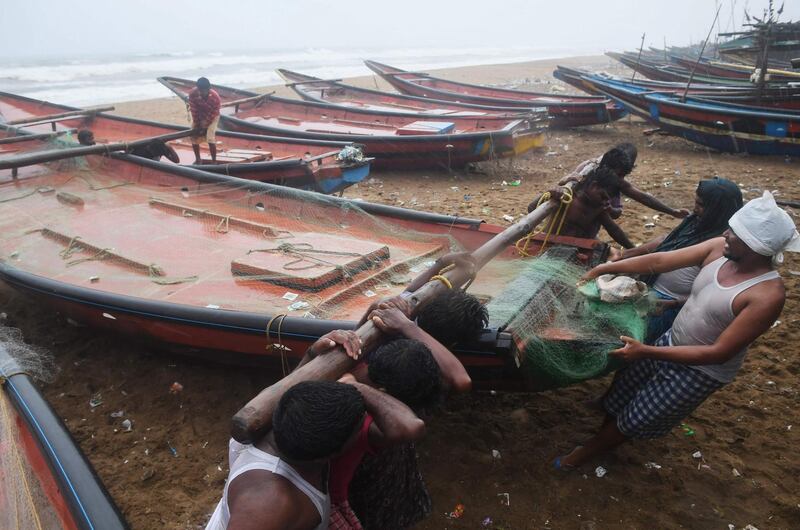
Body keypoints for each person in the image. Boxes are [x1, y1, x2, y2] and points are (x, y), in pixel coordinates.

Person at [555, 191, 799, 468]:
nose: (726, 234)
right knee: (624, 390)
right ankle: (603, 436)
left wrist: (645, 351)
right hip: (670, 340)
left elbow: (718, 353)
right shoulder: (720, 249)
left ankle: (584, 454)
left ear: (756, 246)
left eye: (736, 233)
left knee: (638, 416)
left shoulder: (767, 295)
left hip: (700, 370)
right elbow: (659, 261)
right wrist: (602, 269)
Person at [205, 378, 423, 530]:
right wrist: (356, 388)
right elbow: (411, 426)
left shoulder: (284, 422)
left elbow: (408, 427)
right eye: (358, 432)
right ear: (331, 454)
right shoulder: (270, 503)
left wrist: (317, 360)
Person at [611, 178, 743, 342]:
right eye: (696, 202)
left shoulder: (723, 245)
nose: (695, 209)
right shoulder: (696, 222)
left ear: (718, 210)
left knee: (625, 338)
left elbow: (709, 295)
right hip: (648, 288)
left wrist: (673, 303)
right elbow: (665, 241)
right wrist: (626, 254)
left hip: (667, 306)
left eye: (701, 205)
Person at [559, 143, 690, 219]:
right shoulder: (586, 171)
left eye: (623, 175)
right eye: (619, 174)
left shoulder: (617, 181)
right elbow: (561, 186)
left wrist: (672, 211)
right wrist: (566, 179)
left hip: (592, 223)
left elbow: (644, 198)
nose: (620, 179)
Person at [529, 166, 635, 249]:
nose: (605, 202)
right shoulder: (567, 197)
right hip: (551, 247)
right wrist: (549, 193)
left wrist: (633, 249)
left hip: (578, 250)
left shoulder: (598, 207)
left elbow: (614, 230)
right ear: (594, 186)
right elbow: (532, 208)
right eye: (603, 197)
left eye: (608, 200)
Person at [76, 128, 180, 163]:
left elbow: (176, 161)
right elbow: (125, 153)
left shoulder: (161, 148)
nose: (153, 153)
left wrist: (170, 148)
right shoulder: (140, 147)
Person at [188, 77, 221, 164]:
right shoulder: (192, 94)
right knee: (193, 136)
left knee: (210, 137)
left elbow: (214, 112)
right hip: (199, 115)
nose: (202, 92)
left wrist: (206, 123)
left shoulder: (215, 97)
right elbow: (194, 110)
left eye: (204, 90)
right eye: (200, 90)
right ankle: (198, 159)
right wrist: (198, 123)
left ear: (209, 89)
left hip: (212, 117)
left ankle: (214, 161)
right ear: (198, 89)